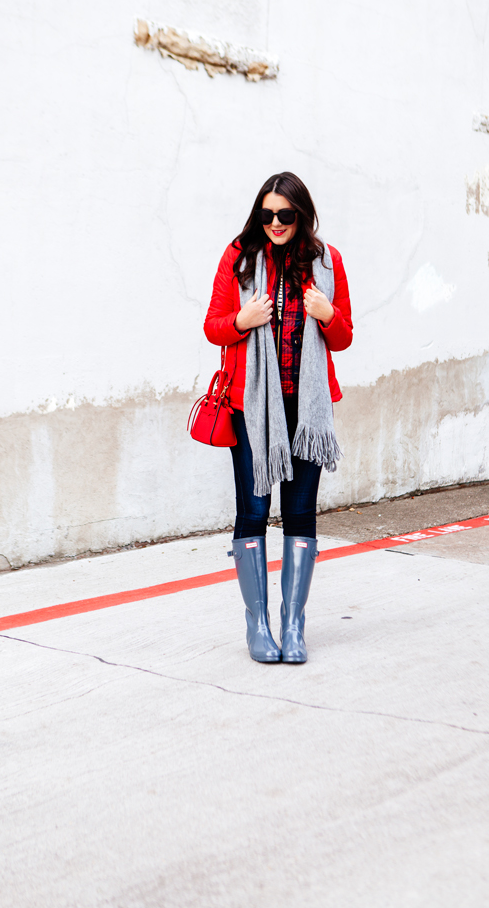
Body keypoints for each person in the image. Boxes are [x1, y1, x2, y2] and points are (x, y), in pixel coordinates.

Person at [204, 171, 353, 664]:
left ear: (301, 215)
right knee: (252, 510)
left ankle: (293, 625)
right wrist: (240, 322)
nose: (275, 223)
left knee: (300, 513)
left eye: (284, 215)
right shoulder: (238, 258)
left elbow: (344, 335)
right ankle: (258, 625)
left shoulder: (326, 263)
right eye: (267, 214)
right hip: (253, 410)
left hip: (305, 411)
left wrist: (327, 313)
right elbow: (213, 327)